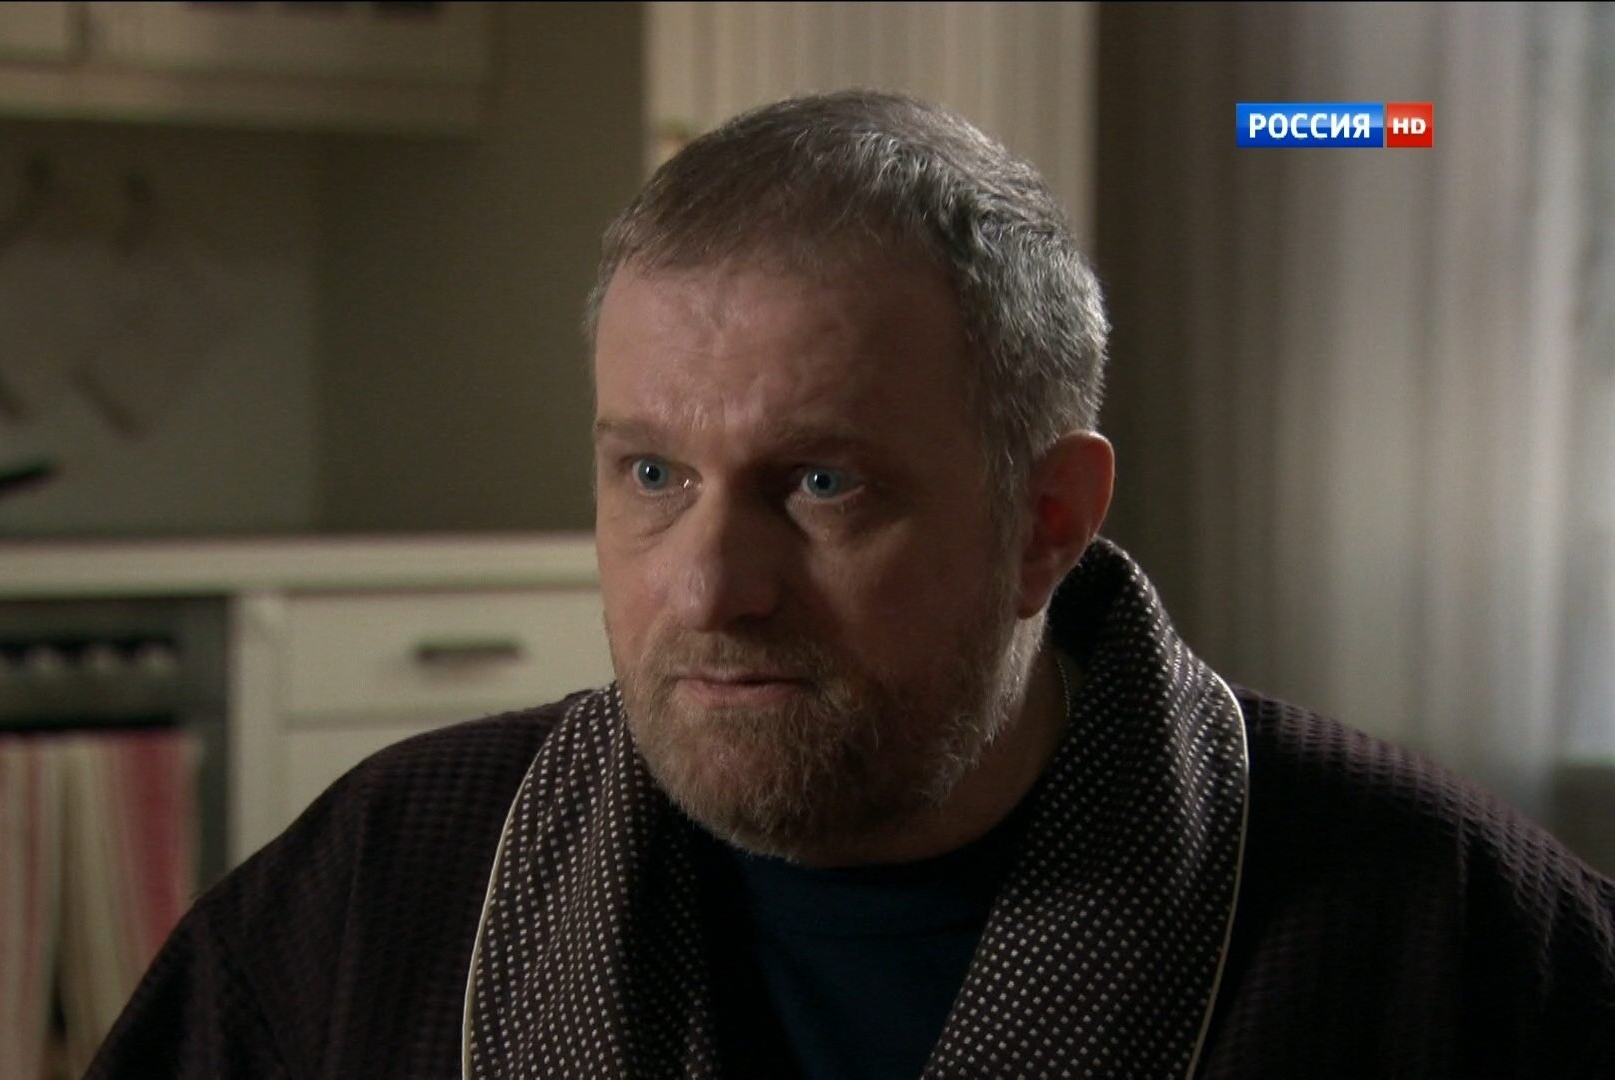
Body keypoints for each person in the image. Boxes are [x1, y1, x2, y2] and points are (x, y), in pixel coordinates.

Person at [86, 91, 1615, 1079]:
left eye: (823, 485)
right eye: (652, 476)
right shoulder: (386, 886)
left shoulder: (1448, 934)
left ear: (1048, 519)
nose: (712, 586)